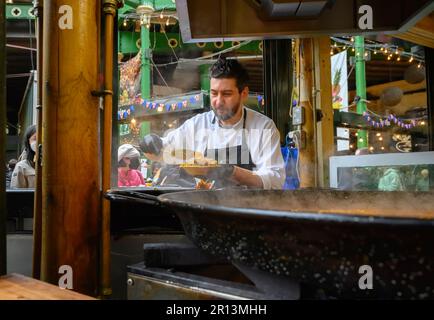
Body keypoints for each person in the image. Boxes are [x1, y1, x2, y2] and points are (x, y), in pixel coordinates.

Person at [140, 57, 285, 189]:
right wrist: (152, 143)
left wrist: (230, 171)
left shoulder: (262, 127)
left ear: (244, 94)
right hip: (205, 208)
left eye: (227, 94)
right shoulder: (197, 125)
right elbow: (164, 151)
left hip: (247, 210)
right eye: (214, 93)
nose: (218, 101)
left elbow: (274, 180)